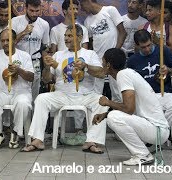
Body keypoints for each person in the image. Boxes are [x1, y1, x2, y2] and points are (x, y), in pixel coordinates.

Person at [22, 25, 108, 153]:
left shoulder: (90, 54)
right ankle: (38, 140)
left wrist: (85, 66)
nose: (66, 39)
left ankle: (91, 141)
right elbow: (47, 79)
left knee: (103, 100)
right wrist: (46, 67)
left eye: (70, 36)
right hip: (62, 95)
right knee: (41, 99)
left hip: (85, 95)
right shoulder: (58, 54)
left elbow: (101, 73)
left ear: (79, 37)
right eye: (65, 36)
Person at [93, 48, 169, 165]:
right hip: (157, 130)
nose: (102, 64)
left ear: (108, 65)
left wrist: (108, 102)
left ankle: (142, 155)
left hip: (157, 131)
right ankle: (143, 153)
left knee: (114, 117)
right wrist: (105, 114)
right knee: (111, 115)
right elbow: (130, 109)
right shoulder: (126, 73)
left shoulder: (123, 75)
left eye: (103, 62)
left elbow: (129, 109)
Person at [0, 29, 34, 149]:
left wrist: (19, 70)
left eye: (8, 40)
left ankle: (15, 132)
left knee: (23, 103)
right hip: (1, 92)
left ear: (15, 40)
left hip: (21, 92)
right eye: (3, 40)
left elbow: (31, 78)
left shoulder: (24, 56)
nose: (5, 43)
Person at [127, 29, 172, 127]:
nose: (147, 49)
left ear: (152, 41)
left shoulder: (163, 51)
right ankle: (156, 135)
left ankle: (159, 133)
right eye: (143, 47)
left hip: (164, 93)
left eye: (149, 45)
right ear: (136, 45)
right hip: (144, 97)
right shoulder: (132, 61)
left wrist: (168, 70)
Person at [50, 0, 90, 136]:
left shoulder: (82, 29)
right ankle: (59, 129)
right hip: (60, 64)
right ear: (65, 11)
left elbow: (84, 50)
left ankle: (79, 129)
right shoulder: (55, 30)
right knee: (61, 91)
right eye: (72, 8)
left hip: (77, 63)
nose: (75, 11)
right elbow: (54, 50)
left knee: (79, 89)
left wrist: (80, 62)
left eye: (77, 8)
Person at [80, 0, 127, 104]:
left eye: (82, 4)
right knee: (96, 95)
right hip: (99, 63)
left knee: (118, 94)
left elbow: (123, 33)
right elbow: (91, 43)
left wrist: (115, 54)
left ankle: (119, 117)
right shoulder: (87, 21)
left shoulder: (110, 10)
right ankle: (97, 118)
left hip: (114, 62)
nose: (81, 9)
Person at [12, 0, 50, 101]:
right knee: (17, 91)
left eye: (37, 11)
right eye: (31, 10)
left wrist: (46, 68)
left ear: (41, 9)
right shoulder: (15, 21)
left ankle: (33, 115)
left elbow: (45, 47)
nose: (34, 14)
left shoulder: (44, 24)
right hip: (18, 61)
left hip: (35, 62)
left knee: (35, 94)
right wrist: (24, 32)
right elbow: (9, 44)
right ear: (26, 8)